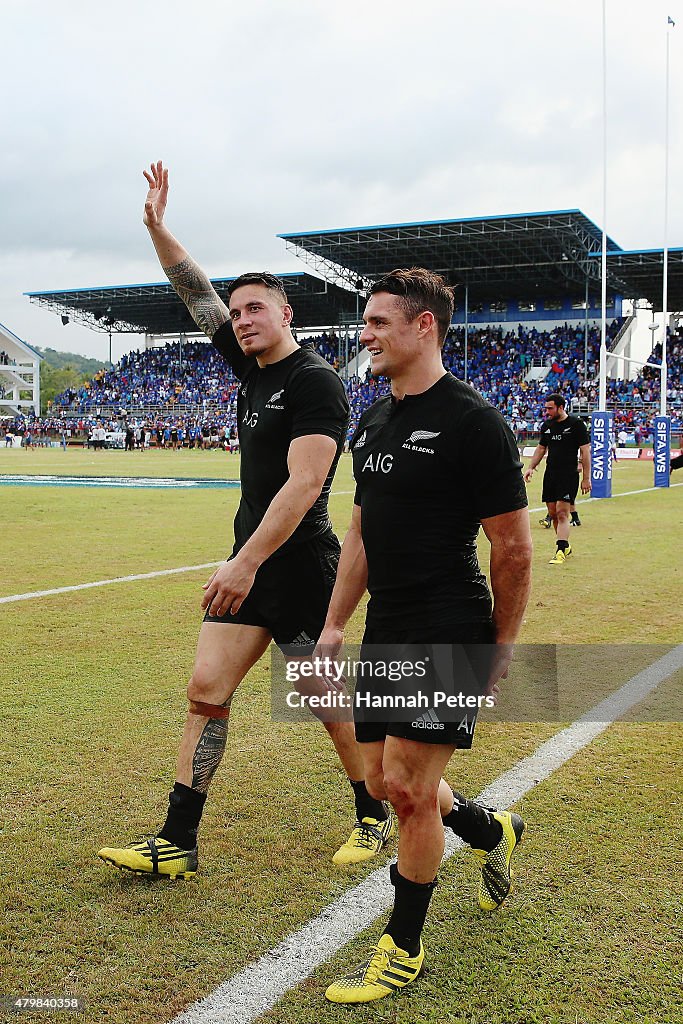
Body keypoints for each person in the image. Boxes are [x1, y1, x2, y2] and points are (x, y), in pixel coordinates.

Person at [97, 161, 394, 881]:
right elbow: (192, 291)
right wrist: (157, 227)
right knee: (207, 690)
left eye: (256, 307)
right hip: (250, 565)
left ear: (285, 313)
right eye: (237, 312)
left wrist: (246, 561)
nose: (242, 318)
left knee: (324, 702)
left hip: (296, 568)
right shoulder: (250, 368)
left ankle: (376, 813)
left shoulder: (314, 382)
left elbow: (304, 486)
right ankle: (177, 840)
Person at [314, 268, 532, 1003]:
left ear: (422, 326)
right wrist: (336, 622)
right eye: (365, 323)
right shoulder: (372, 421)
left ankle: (400, 950)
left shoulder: (475, 422)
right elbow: (360, 531)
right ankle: (488, 829)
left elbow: (512, 547)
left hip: (447, 622)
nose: (365, 335)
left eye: (377, 323)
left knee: (406, 792)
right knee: (384, 782)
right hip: (388, 626)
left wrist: (497, 646)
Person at [524, 395, 590, 564]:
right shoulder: (547, 426)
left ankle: (560, 550)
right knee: (553, 513)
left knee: (562, 513)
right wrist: (531, 467)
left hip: (568, 474)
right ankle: (565, 545)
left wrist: (586, 478)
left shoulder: (576, 425)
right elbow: (541, 448)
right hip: (550, 474)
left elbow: (585, 452)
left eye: (550, 408)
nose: (547, 412)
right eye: (546, 408)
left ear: (560, 407)